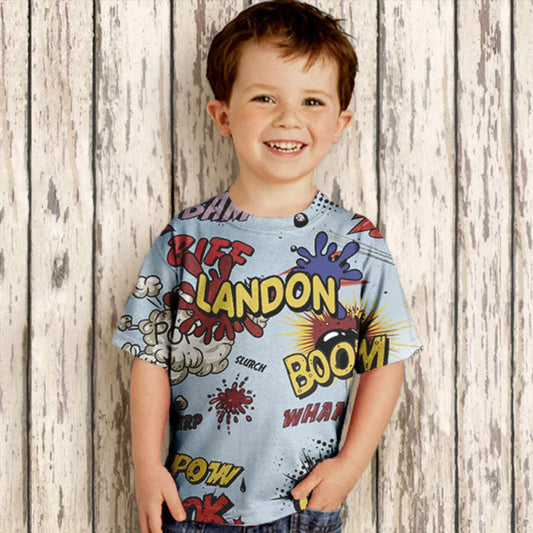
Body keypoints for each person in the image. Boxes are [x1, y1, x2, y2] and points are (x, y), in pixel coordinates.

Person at [112, 1, 423, 532]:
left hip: (302, 506)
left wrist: (350, 465)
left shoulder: (356, 243)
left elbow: (385, 358)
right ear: (223, 116)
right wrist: (145, 465)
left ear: (340, 123)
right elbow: (149, 357)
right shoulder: (185, 239)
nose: (288, 118)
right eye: (264, 98)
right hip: (192, 506)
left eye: (311, 101)